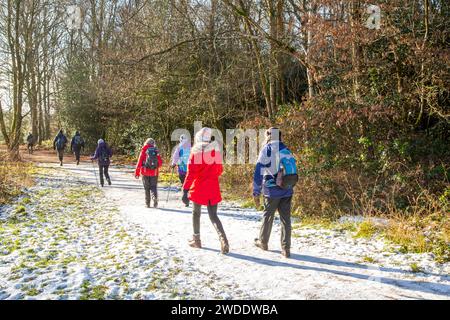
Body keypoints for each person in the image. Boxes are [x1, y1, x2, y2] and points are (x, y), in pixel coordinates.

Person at [182, 127, 229, 254]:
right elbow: (220, 170)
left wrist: (185, 189)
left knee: (196, 213)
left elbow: (190, 173)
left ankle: (196, 240)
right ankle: (223, 240)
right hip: (213, 187)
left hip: (199, 187)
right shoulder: (215, 151)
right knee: (213, 216)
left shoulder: (195, 151)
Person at [253, 127, 298, 258]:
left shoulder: (267, 150)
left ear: (268, 136)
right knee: (286, 219)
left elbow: (258, 172)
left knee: (268, 217)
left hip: (271, 191)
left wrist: (256, 191)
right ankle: (286, 249)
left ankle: (263, 242)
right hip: (287, 189)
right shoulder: (286, 149)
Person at [135, 138, 163, 208]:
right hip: (154, 173)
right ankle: (154, 199)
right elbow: (160, 163)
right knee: (153, 187)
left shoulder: (143, 150)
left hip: (145, 172)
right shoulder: (156, 151)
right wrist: (155, 167)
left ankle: (147, 204)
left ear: (146, 143)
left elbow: (139, 162)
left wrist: (137, 172)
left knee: (147, 188)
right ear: (153, 143)